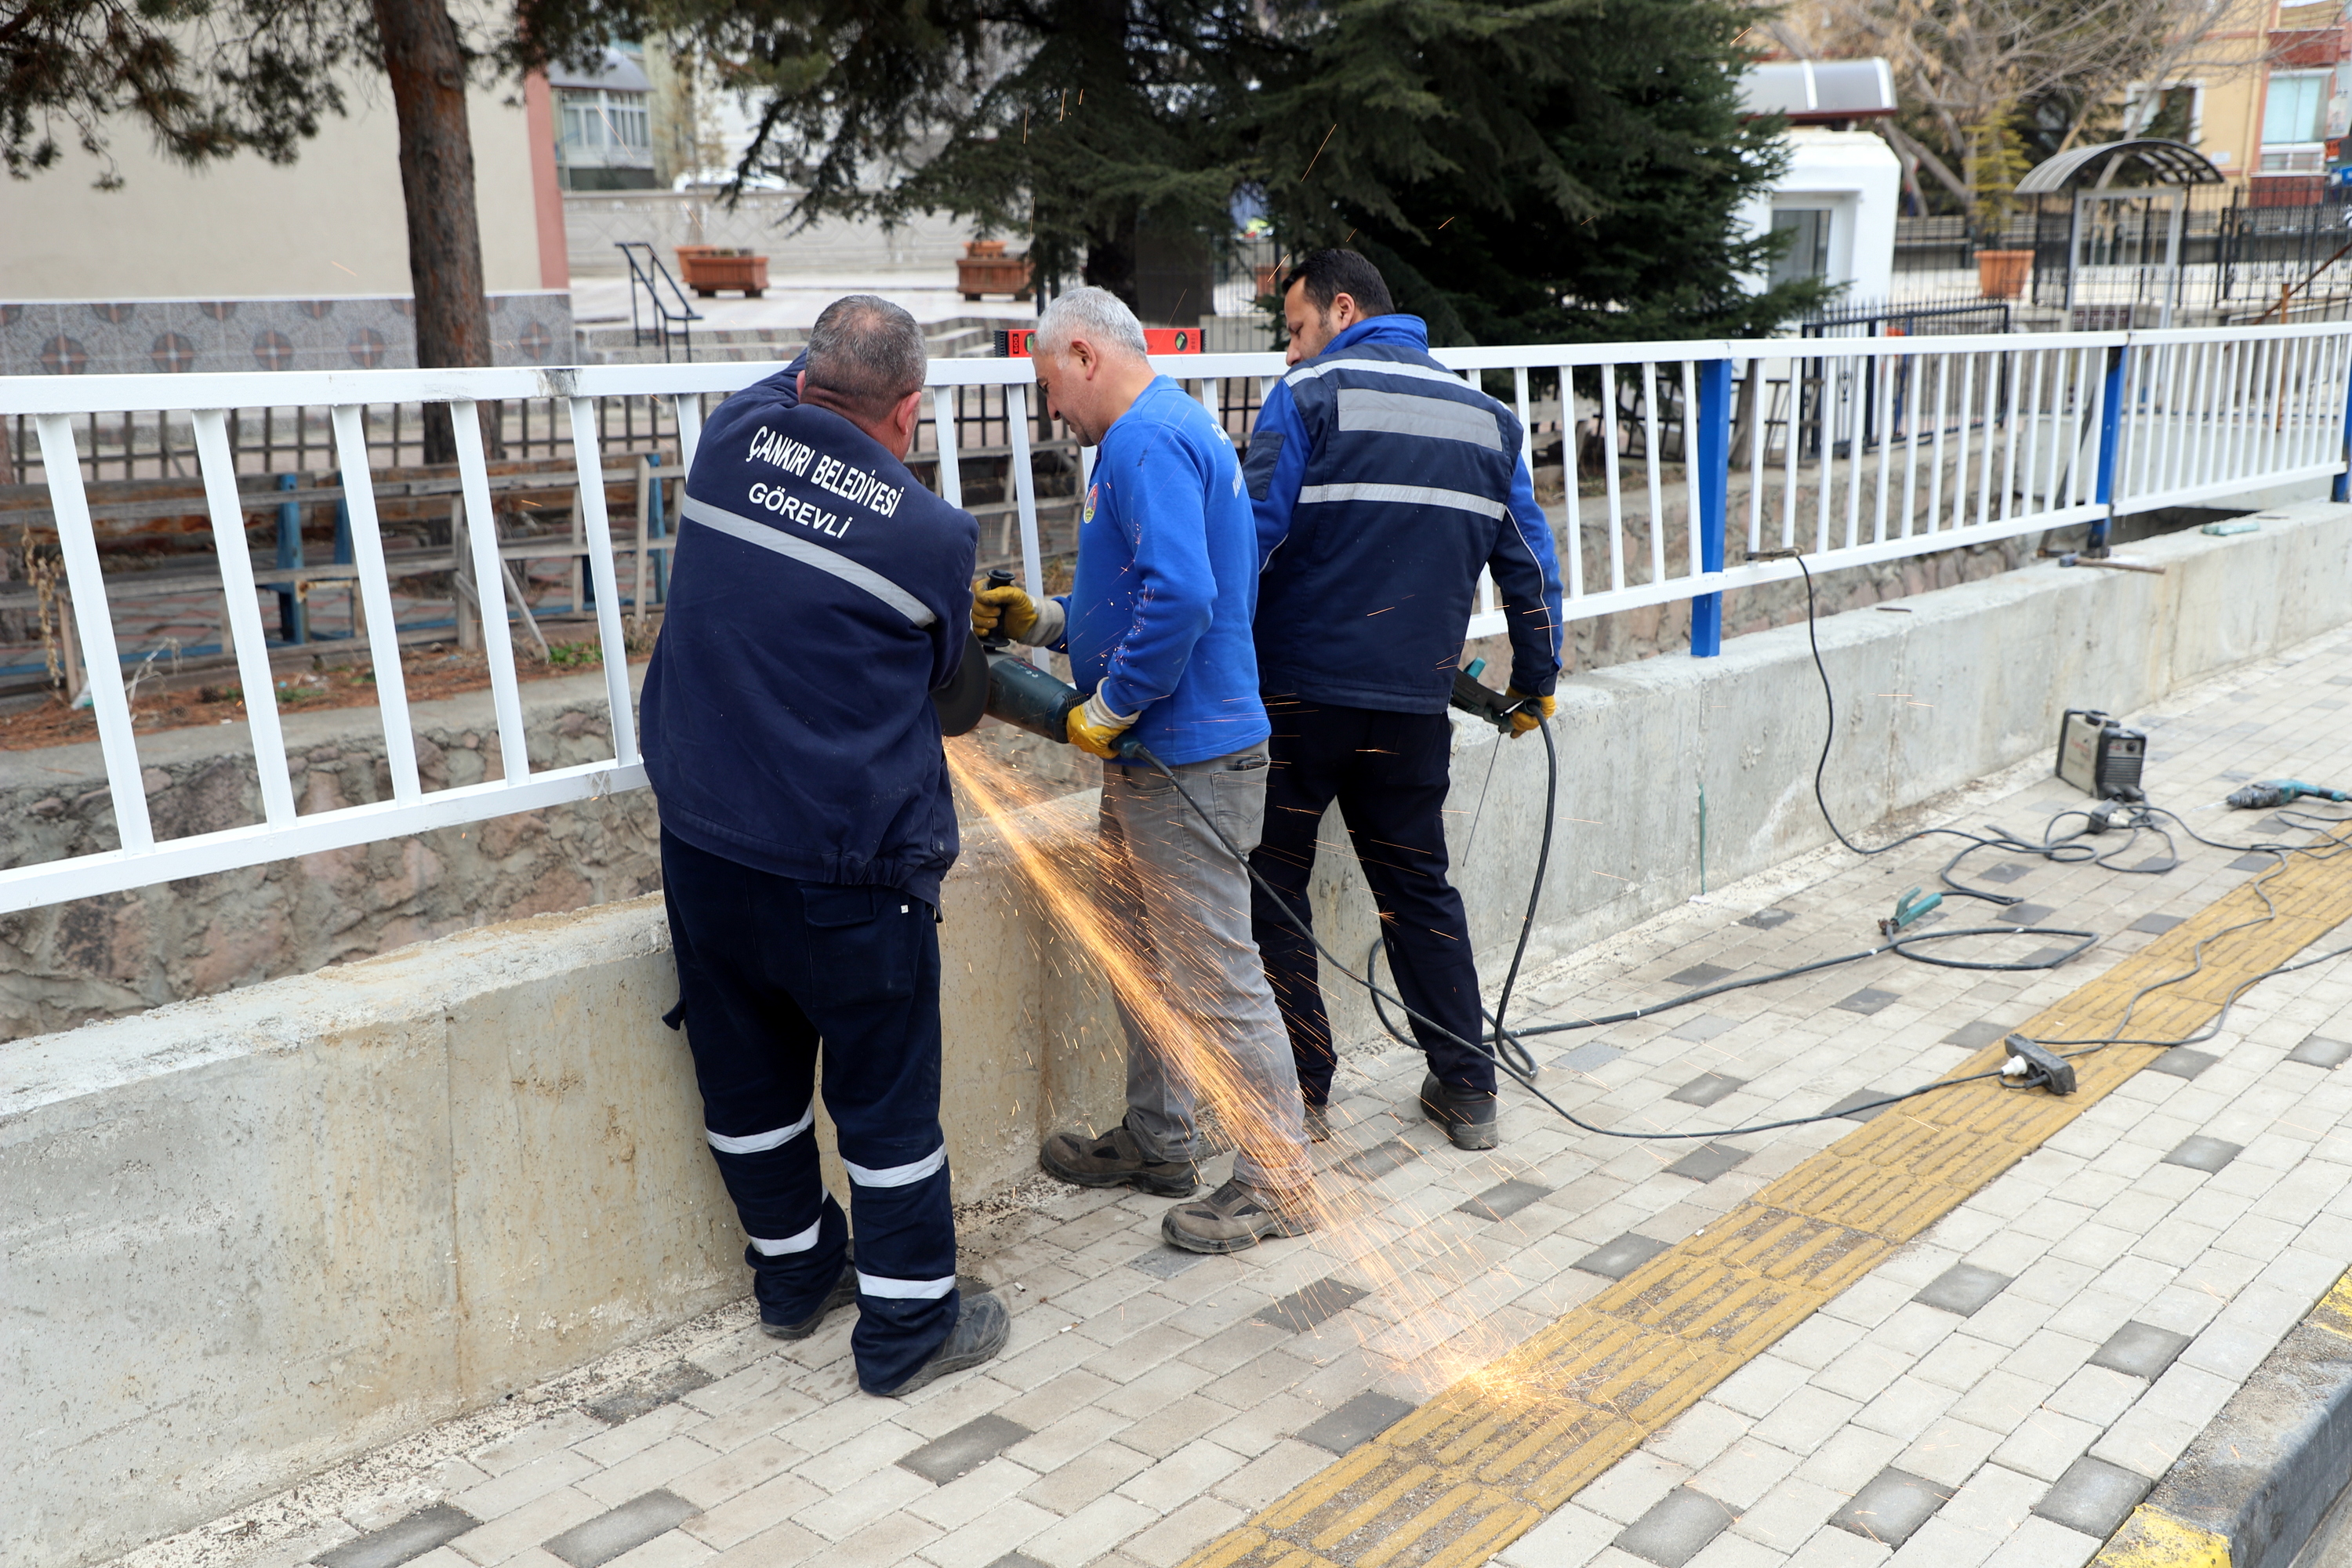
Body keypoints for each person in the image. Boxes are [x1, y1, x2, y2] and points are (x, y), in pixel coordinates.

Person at [640, 295, 1008, 1399]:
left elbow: (799, 385)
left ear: (804, 385)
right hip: (849, 874)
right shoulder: (933, 536)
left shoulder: (729, 437)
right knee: (885, 1105)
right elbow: (950, 693)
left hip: (708, 848)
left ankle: (796, 1280)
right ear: (909, 411)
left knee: (747, 1082)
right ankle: (907, 1331)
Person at [971, 287, 1317, 1254]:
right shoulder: (1170, 427)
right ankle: (1160, 1138)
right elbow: (1138, 591)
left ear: (1085, 354)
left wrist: (1112, 703)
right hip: (1160, 756)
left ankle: (1279, 1178)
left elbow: (1186, 595)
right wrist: (1045, 620)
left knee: (1217, 976)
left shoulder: (1143, 439)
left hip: (1185, 756)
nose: (1053, 410)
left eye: (1051, 385)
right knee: (1138, 951)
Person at [1242, 249, 1566, 1152]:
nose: (1291, 350)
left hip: (1298, 701)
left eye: (1297, 328)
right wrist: (1535, 681)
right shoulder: (1488, 420)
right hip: (1413, 709)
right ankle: (1467, 1086)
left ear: (1342, 309)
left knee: (1274, 882)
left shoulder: (1307, 396)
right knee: (1417, 888)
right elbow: (1530, 567)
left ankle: (1303, 1085)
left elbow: (1250, 540)